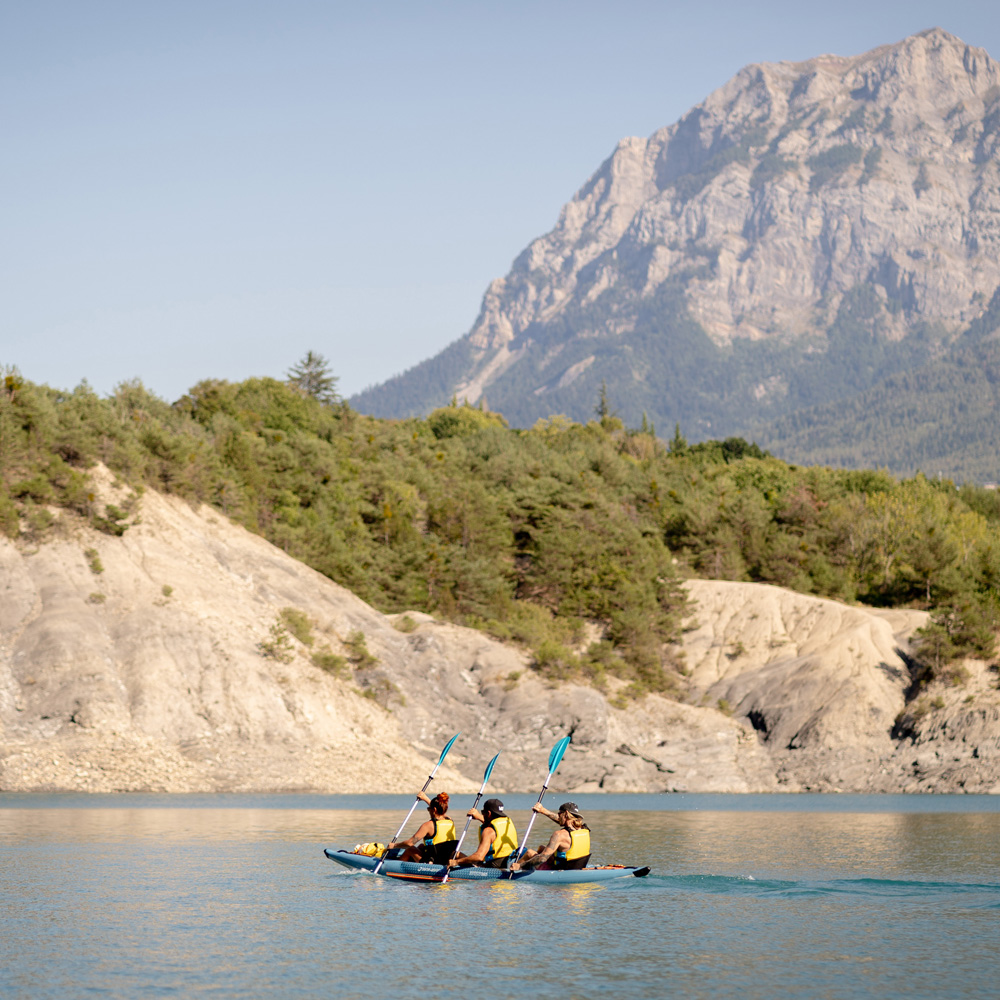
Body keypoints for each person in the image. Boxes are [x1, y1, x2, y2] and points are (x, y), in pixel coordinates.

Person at [509, 801, 591, 871]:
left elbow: (542, 859)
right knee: (541, 848)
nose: (558, 816)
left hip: (559, 870)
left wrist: (520, 866)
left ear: (566, 813)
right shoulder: (583, 829)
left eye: (559, 814)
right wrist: (542, 810)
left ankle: (513, 869)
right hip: (575, 866)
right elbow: (563, 821)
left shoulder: (559, 834)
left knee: (530, 853)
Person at [387, 791, 457, 864]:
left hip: (434, 861)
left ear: (434, 810)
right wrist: (425, 798)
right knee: (421, 846)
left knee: (410, 849)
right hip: (446, 858)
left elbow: (410, 843)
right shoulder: (450, 820)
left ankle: (396, 865)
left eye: (429, 809)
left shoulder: (428, 825)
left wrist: (394, 845)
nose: (428, 811)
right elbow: (440, 810)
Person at [448, 798, 518, 869]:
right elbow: (491, 823)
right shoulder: (507, 823)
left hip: (494, 865)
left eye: (483, 812)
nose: (482, 814)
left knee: (455, 854)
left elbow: (479, 857)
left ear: (488, 813)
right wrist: (478, 816)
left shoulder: (488, 831)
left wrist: (457, 862)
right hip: (509, 860)